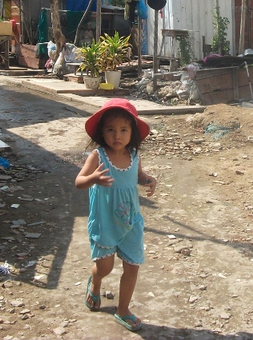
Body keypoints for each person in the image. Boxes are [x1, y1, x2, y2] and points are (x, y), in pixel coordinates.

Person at [74, 98, 156, 332]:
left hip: (131, 221)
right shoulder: (98, 157)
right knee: (105, 267)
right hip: (105, 222)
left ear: (132, 133)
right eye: (110, 130)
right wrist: (93, 179)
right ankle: (96, 281)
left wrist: (148, 180)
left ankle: (123, 310)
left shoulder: (134, 155)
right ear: (102, 132)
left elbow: (137, 176)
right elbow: (79, 182)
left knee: (132, 266)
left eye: (123, 130)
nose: (117, 135)